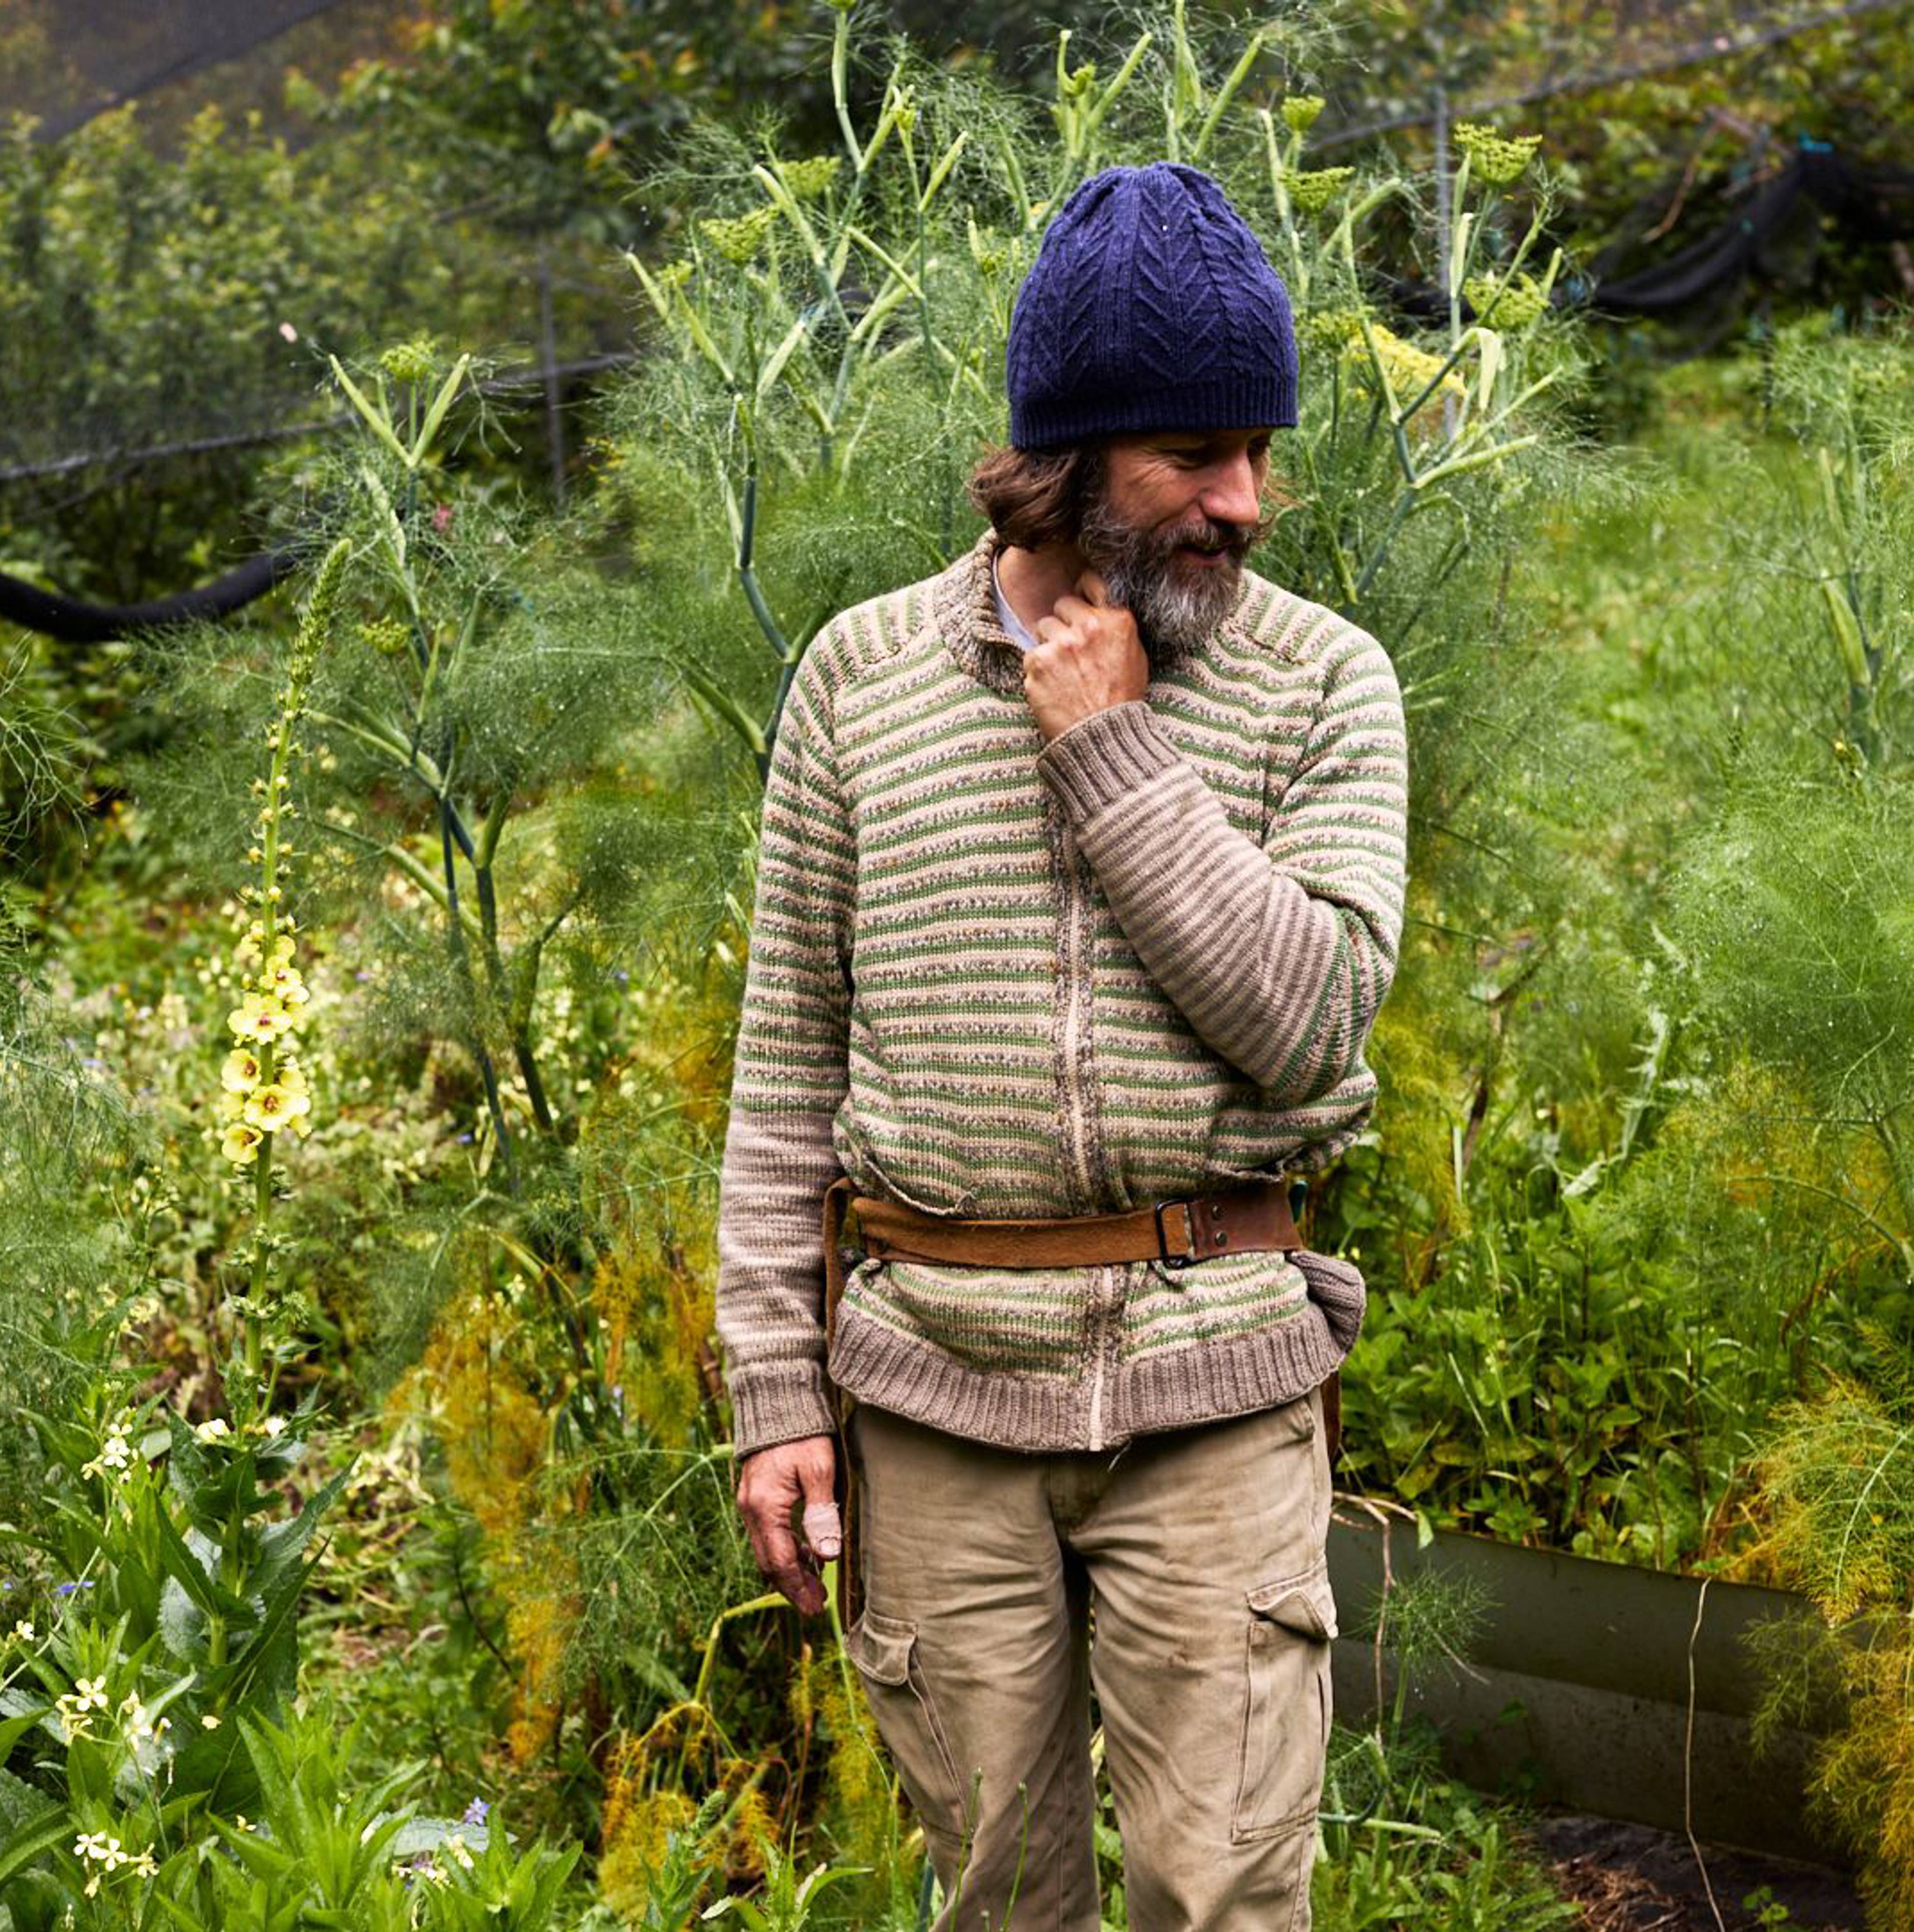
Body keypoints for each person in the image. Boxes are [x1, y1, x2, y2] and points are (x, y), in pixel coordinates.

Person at [713, 160, 1408, 1930]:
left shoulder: (1324, 681)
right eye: (1196, 454)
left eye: (1259, 450)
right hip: (935, 1393)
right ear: (1073, 457)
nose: (1245, 502)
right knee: (998, 1902)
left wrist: (1113, 749)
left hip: (1219, 1390)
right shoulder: (862, 679)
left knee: (1224, 1900)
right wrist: (776, 1397)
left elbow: (1308, 1020)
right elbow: (785, 1069)